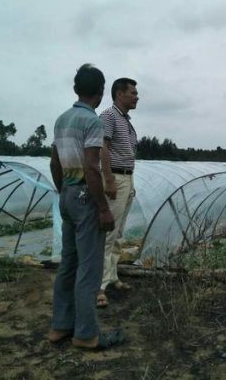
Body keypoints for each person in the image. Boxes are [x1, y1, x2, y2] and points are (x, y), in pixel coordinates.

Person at [46, 64, 125, 350]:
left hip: (66, 194)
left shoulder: (62, 120)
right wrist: (102, 207)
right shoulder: (93, 122)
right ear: (101, 91)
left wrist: (63, 192)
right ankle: (86, 334)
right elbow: (92, 168)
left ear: (76, 89)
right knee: (89, 270)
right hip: (84, 195)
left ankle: (60, 327)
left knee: (68, 264)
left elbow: (54, 162)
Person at [96, 78, 139, 308]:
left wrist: (129, 180)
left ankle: (112, 277)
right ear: (119, 94)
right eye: (132, 92)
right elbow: (103, 147)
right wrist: (110, 179)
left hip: (126, 177)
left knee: (119, 232)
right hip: (115, 176)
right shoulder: (109, 116)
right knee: (108, 233)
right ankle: (99, 286)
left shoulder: (126, 121)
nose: (136, 96)